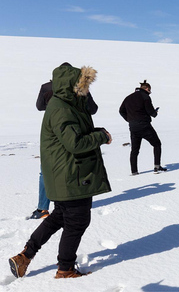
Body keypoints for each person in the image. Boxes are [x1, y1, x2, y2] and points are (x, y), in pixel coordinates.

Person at [9, 63, 112, 279]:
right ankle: (65, 269)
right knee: (77, 222)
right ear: (72, 85)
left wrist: (96, 131)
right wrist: (101, 137)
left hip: (66, 173)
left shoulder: (66, 103)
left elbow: (75, 132)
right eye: (83, 84)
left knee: (59, 217)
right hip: (71, 174)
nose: (86, 89)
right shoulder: (62, 108)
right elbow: (74, 142)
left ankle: (25, 256)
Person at [30, 65, 98, 219]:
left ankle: (43, 208)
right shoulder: (79, 87)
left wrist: (51, 104)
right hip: (75, 129)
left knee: (46, 171)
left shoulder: (46, 87)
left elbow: (39, 106)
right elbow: (93, 109)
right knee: (75, 167)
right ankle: (71, 202)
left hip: (52, 132)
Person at [119, 80, 166, 175]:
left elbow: (121, 111)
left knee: (134, 150)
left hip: (133, 127)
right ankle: (157, 167)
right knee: (157, 144)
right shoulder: (145, 97)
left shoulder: (128, 98)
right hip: (144, 125)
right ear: (147, 89)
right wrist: (155, 113)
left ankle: (134, 171)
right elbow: (150, 112)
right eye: (150, 91)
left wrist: (129, 119)